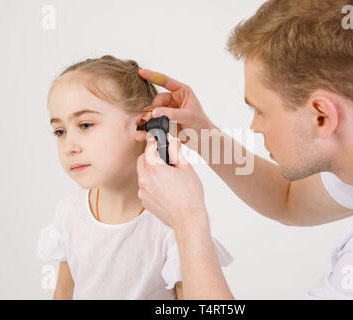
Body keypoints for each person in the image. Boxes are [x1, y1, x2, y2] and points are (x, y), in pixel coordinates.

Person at [135, 0, 353, 299]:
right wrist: (202, 135)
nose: (254, 128)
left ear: (322, 116)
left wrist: (188, 221)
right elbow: (289, 197)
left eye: (260, 110)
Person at [36, 55, 233, 300]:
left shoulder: (173, 223)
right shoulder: (69, 213)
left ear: (144, 124)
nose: (69, 146)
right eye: (60, 131)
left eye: (85, 125)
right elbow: (64, 293)